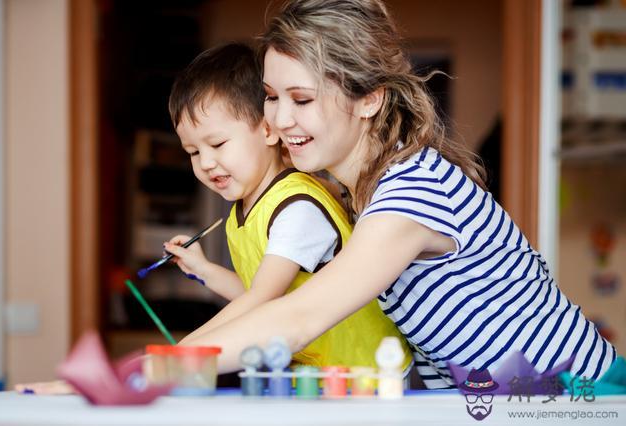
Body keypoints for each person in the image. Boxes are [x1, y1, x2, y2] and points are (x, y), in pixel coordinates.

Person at [179, 0, 618, 389]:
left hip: (583, 399)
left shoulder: (409, 194)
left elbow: (299, 317)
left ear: (369, 98)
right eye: (272, 97)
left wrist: (162, 366)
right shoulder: (369, 190)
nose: (279, 119)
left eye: (302, 99)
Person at [164, 42, 411, 370]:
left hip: (372, 371)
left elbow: (262, 299)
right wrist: (205, 271)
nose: (206, 163)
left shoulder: (296, 209)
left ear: (268, 130)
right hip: (322, 374)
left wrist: (179, 355)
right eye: (193, 152)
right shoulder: (240, 214)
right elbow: (263, 294)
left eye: (217, 144)